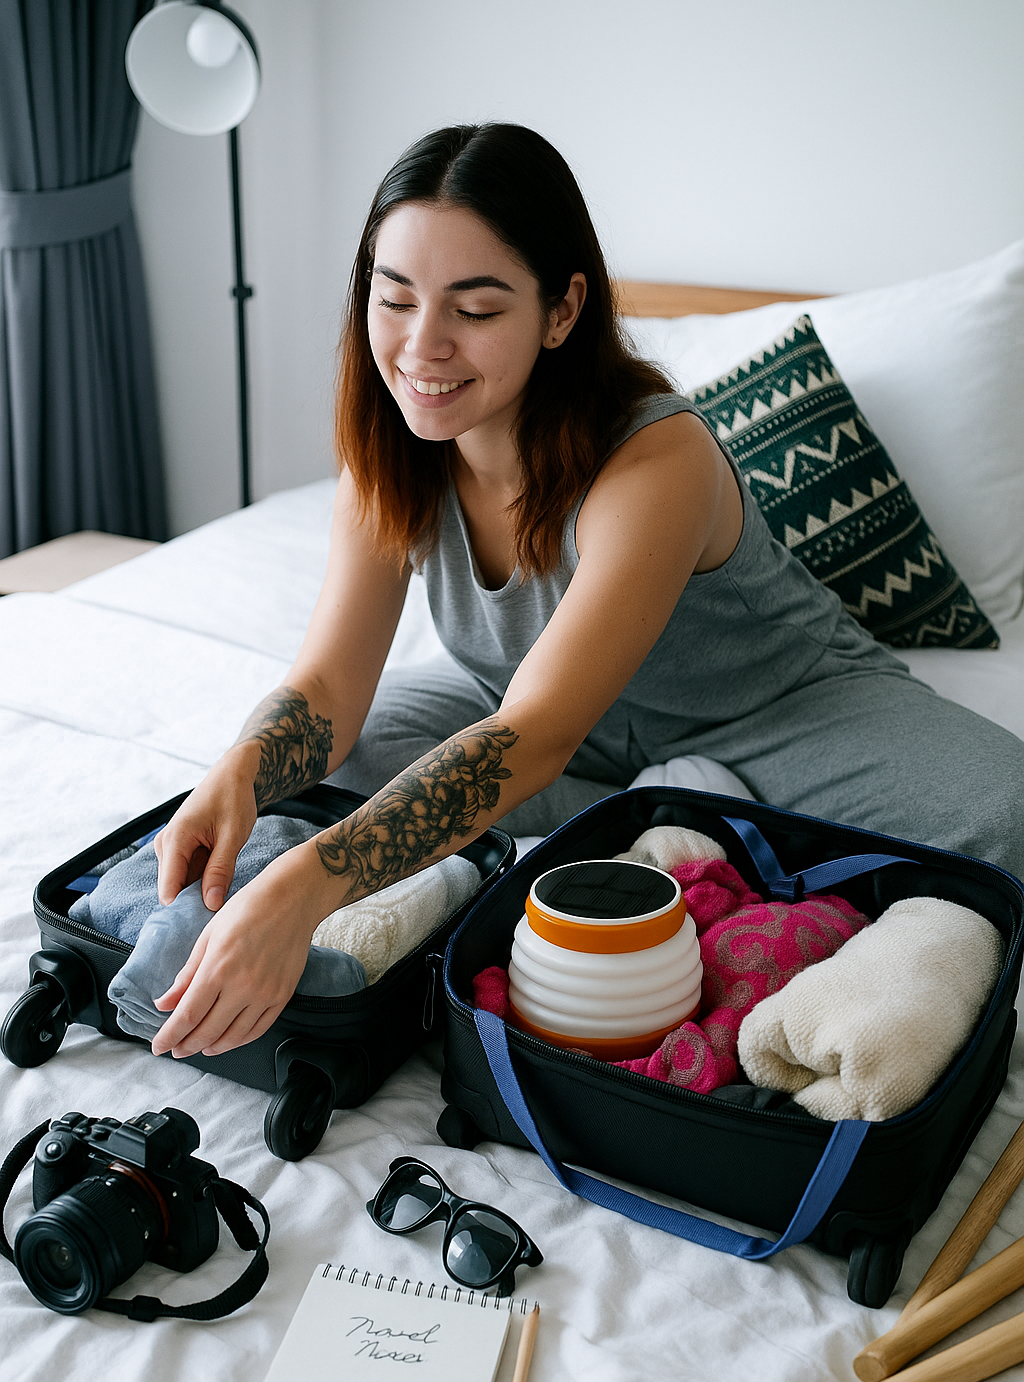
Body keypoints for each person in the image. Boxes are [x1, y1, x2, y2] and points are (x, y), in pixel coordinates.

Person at [150, 122, 1024, 1063]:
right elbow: (329, 686)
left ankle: (675, 811)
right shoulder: (390, 451)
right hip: (542, 724)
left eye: (474, 311)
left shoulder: (658, 459)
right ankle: (664, 820)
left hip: (771, 716)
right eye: (395, 298)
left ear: (562, 310)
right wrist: (243, 765)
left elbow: (534, 736)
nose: (421, 346)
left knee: (1007, 814)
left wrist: (305, 884)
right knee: (338, 761)